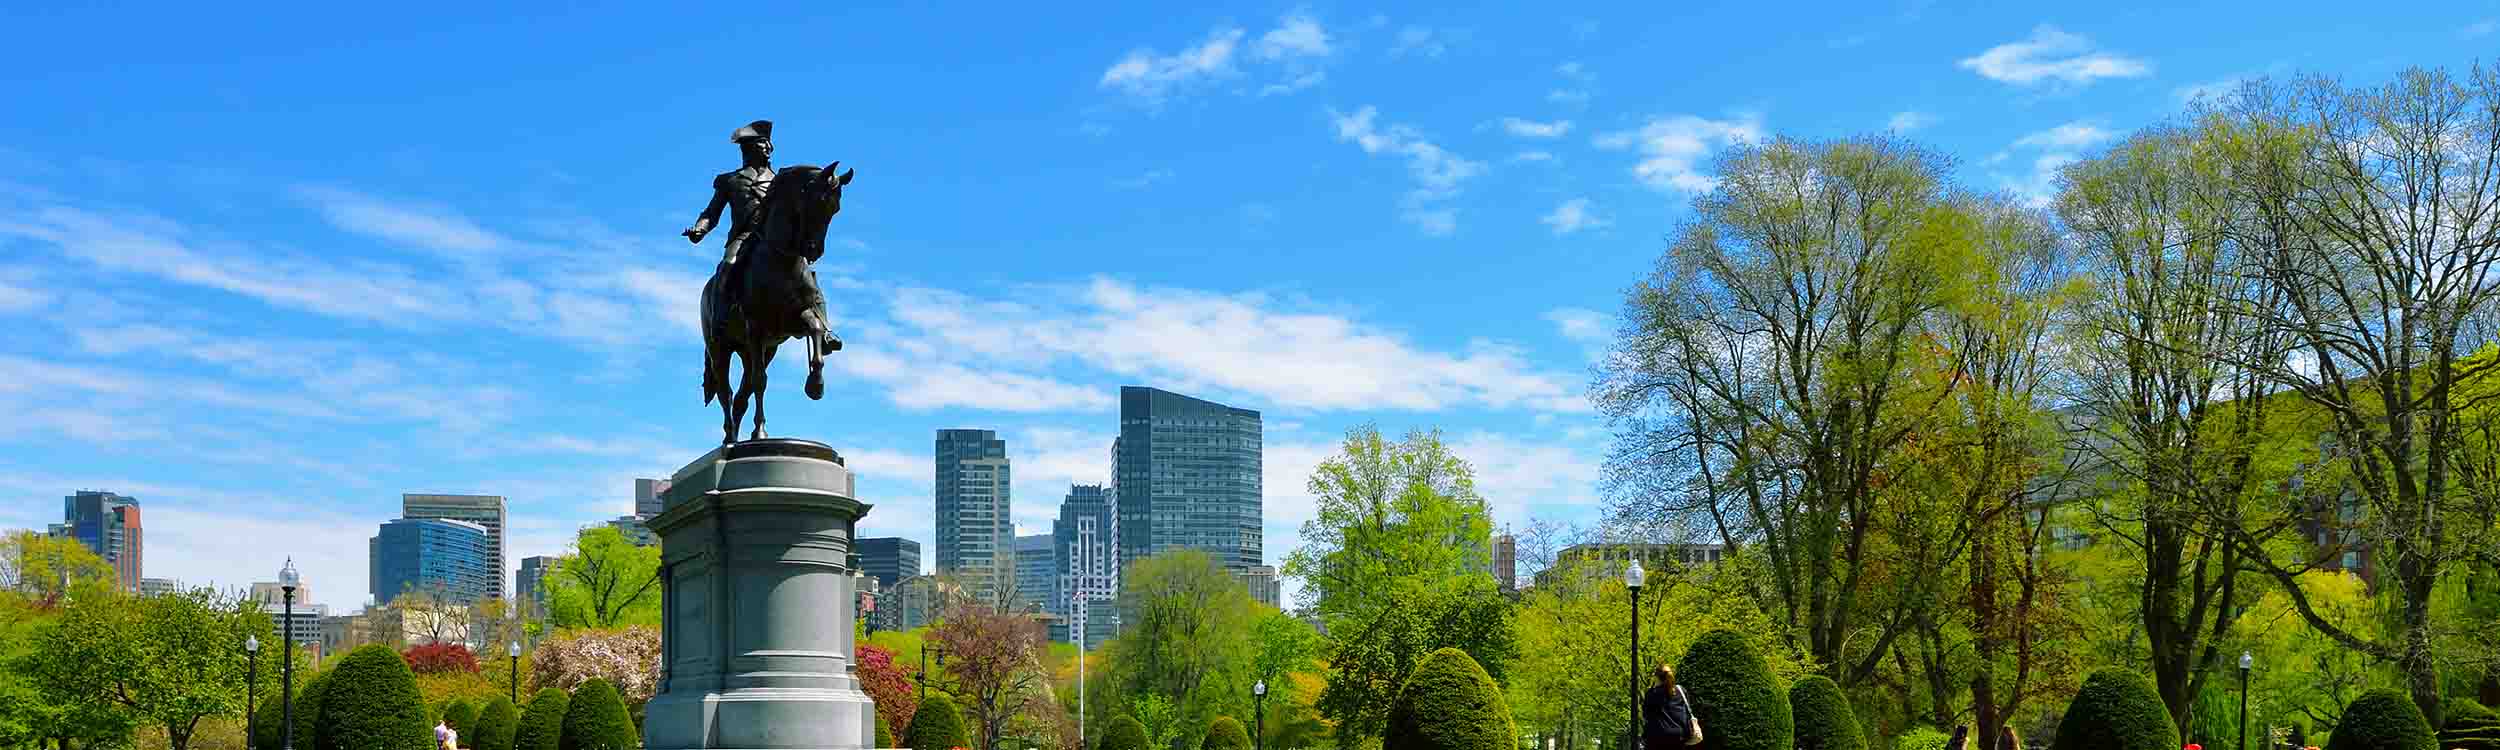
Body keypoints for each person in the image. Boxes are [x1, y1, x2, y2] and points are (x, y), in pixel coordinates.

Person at [1642, 663, 1694, 748]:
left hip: (1658, 738)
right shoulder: (1681, 690)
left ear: (1657, 677)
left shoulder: (1652, 693)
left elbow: (1646, 715)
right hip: (1679, 736)